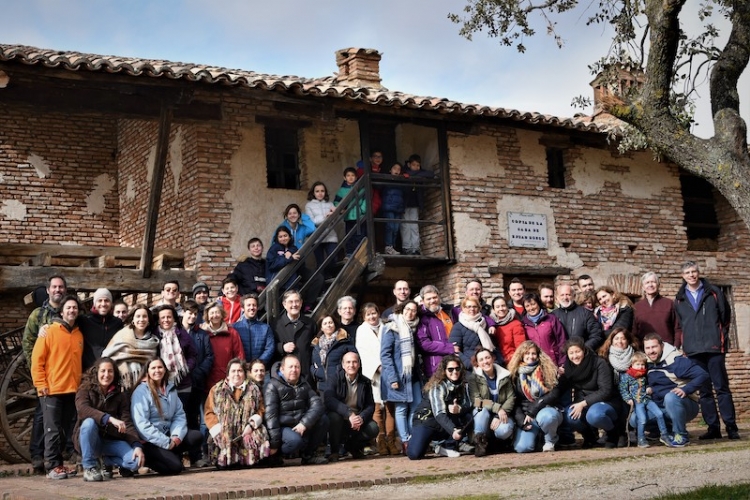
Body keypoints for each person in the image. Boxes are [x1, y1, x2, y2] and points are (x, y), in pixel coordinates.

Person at [674, 261, 739, 440]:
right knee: (704, 391)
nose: (691, 275)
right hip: (693, 350)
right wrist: (684, 345)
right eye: (687, 272)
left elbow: (725, 316)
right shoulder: (679, 298)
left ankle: (731, 427)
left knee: (722, 388)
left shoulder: (714, 292)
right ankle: (713, 428)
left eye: (694, 271)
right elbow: (681, 324)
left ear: (698, 272)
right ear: (683, 276)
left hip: (714, 347)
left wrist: (720, 337)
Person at [31, 295, 83, 480]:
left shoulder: (78, 334)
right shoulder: (49, 331)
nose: (71, 311)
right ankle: (51, 466)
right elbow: (37, 361)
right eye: (68, 308)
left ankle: (59, 465)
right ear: (62, 311)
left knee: (63, 430)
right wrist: (40, 384)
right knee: (51, 430)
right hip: (51, 390)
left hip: (71, 389)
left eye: (74, 308)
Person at [22, 274, 68, 473]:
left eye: (61, 287)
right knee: (42, 416)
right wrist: (37, 370)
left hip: (65, 374)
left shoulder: (71, 313)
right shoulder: (38, 315)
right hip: (46, 376)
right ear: (48, 290)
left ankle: (64, 453)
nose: (57, 290)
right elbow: (27, 342)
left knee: (66, 415)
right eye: (54, 287)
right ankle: (37, 455)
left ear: (64, 290)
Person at [74, 357, 144, 481]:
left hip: (110, 441)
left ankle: (104, 460)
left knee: (136, 462)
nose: (106, 375)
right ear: (97, 373)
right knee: (89, 423)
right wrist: (109, 419)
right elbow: (83, 410)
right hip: (89, 440)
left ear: (115, 373)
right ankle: (89, 467)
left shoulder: (120, 395)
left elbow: (127, 422)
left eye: (110, 371)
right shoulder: (84, 390)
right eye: (103, 371)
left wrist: (137, 445)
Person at [130, 357, 203, 475]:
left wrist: (176, 437)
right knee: (175, 468)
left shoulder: (171, 388)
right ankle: (149, 461)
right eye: (153, 368)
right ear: (147, 371)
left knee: (196, 436)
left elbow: (179, 415)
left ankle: (170, 455)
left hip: (169, 435)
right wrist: (166, 442)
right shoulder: (141, 391)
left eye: (160, 367)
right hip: (150, 441)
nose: (157, 370)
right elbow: (142, 424)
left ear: (165, 370)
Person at [642, 333, 709, 447]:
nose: (651, 351)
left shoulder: (676, 361)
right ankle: (667, 430)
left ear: (662, 346)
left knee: (670, 397)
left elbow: (703, 375)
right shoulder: (647, 362)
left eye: (654, 347)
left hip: (683, 404)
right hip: (661, 407)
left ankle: (681, 436)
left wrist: (686, 389)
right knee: (635, 419)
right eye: (647, 348)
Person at [204, 358, 271, 468]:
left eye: (240, 371)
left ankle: (251, 459)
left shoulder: (254, 389)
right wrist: (218, 430)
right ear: (228, 374)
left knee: (258, 436)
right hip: (224, 431)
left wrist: (251, 425)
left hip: (247, 430)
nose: (237, 374)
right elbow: (209, 412)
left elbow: (261, 409)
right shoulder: (216, 390)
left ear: (245, 373)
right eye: (233, 371)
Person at [264, 355, 329, 465]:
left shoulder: (304, 383)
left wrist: (304, 423)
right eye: (291, 367)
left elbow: (318, 404)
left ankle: (308, 455)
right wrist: (274, 445)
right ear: (282, 369)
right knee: (294, 442)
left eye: (297, 367)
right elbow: (271, 417)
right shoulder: (272, 386)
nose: (294, 370)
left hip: (299, 424)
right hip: (282, 427)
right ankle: (277, 455)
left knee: (323, 419)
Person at [557, 337, 622, 449]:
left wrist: (583, 403)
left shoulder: (599, 363)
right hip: (583, 403)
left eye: (577, 351)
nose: (575, 356)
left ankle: (613, 433)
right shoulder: (568, 368)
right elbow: (559, 389)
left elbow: (605, 390)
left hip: (606, 402)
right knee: (569, 416)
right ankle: (590, 437)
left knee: (595, 415)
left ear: (584, 350)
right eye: (571, 353)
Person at [407, 355, 472, 460]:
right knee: (414, 454)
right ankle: (417, 439)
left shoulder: (464, 384)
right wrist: (453, 431)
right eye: (450, 369)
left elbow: (470, 404)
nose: (454, 372)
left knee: (469, 417)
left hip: (446, 420)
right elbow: (439, 413)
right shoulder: (437, 386)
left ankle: (447, 446)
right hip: (427, 420)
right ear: (444, 371)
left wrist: (460, 409)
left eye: (457, 368)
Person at [356, 302, 399, 455]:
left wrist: (388, 367)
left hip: (390, 371)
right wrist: (377, 366)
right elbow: (363, 352)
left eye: (374, 313)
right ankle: (380, 441)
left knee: (390, 407)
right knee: (377, 409)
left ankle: (391, 440)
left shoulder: (388, 326)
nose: (372, 316)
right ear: (364, 316)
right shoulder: (361, 331)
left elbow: (394, 347)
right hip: (374, 374)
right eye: (368, 314)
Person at [380, 301, 423, 451]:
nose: (410, 313)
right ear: (401, 309)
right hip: (399, 375)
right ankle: (405, 440)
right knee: (401, 409)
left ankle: (414, 437)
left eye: (413, 310)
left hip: (413, 375)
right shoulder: (391, 327)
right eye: (408, 309)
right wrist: (392, 378)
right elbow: (385, 355)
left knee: (417, 406)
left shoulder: (415, 328)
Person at [508, 341, 563, 453]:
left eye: (533, 353)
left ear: (538, 355)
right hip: (527, 415)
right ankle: (537, 436)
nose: (530, 357)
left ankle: (550, 440)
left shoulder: (547, 369)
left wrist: (534, 408)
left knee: (547, 417)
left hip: (546, 409)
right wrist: (520, 419)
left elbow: (554, 394)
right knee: (522, 448)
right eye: (527, 353)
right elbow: (514, 400)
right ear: (521, 355)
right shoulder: (514, 374)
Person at [324, 352, 379, 461]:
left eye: (354, 362)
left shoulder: (365, 382)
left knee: (373, 428)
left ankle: (353, 447)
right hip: (341, 417)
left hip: (357, 420)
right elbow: (329, 399)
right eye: (348, 362)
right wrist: (349, 414)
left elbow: (370, 405)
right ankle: (334, 451)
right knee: (334, 417)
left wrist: (361, 417)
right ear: (343, 365)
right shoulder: (334, 379)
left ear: (359, 364)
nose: (351, 365)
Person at [180, 299, 214, 466]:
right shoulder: (175, 332)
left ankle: (196, 456)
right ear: (183, 313)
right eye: (189, 313)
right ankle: (178, 454)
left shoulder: (202, 335)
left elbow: (209, 356)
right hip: (178, 384)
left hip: (196, 382)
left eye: (195, 314)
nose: (192, 316)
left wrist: (198, 373)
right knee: (178, 418)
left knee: (193, 419)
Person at [467, 347, 515, 456]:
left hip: (502, 414)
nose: (485, 362)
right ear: (477, 364)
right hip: (486, 415)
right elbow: (477, 401)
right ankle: (480, 444)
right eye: (481, 360)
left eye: (487, 358)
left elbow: (511, 398)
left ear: (493, 359)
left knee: (504, 430)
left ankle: (498, 443)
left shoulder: (505, 376)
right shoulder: (473, 378)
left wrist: (500, 414)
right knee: (480, 412)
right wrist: (497, 408)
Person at [618, 351, 670, 448]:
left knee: (659, 414)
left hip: (647, 399)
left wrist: (650, 388)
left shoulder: (645, 375)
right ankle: (641, 439)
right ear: (632, 364)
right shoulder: (627, 376)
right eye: (638, 364)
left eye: (642, 364)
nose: (640, 367)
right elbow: (623, 389)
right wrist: (628, 399)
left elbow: (651, 383)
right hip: (637, 401)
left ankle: (664, 434)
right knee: (642, 419)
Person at [103, 305, 160, 391]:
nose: (141, 319)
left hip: (147, 387)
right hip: (121, 385)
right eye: (138, 316)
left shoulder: (153, 342)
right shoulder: (121, 335)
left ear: (148, 320)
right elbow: (106, 356)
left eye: (144, 316)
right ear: (133, 319)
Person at [266, 226, 323, 309]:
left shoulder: (293, 248)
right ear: (277, 239)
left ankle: (309, 304)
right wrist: (287, 258)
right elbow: (272, 265)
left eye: (285, 236)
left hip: (295, 275)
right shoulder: (274, 249)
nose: (283, 238)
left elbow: (301, 264)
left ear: (289, 236)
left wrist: (292, 256)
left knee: (318, 278)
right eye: (280, 237)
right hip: (281, 281)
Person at [154, 304, 198, 411]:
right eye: (162, 317)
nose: (166, 320)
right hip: (160, 383)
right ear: (158, 320)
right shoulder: (154, 336)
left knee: (182, 415)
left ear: (174, 318)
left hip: (183, 383)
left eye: (169, 317)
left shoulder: (182, 334)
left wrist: (186, 369)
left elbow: (193, 354)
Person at [201, 301, 245, 392]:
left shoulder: (232, 332)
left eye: (217, 312)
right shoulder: (202, 333)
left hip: (227, 378)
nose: (215, 315)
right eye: (212, 313)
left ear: (222, 314)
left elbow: (239, 354)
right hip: (206, 379)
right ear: (207, 316)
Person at [274, 290, 316, 378]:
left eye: (297, 301)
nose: (294, 305)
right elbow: (269, 346)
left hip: (305, 372)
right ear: (284, 304)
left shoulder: (310, 323)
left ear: (301, 303)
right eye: (290, 302)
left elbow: (315, 346)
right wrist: (281, 347)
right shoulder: (276, 324)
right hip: (284, 374)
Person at [416, 285, 455, 378]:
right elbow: (424, 344)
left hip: (454, 364)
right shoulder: (422, 317)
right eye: (428, 299)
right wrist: (450, 348)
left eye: (434, 297)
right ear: (423, 301)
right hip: (436, 367)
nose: (432, 301)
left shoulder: (449, 312)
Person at [633, 271, 682, 347]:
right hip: (645, 351)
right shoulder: (637, 307)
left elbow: (677, 328)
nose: (650, 285)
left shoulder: (669, 304)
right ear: (643, 287)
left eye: (653, 282)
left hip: (667, 350)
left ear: (658, 285)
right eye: (647, 282)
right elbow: (634, 332)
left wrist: (675, 347)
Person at [311, 314, 356, 393]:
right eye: (325, 323)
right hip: (322, 386)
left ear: (334, 324)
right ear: (321, 328)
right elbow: (312, 363)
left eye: (330, 322)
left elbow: (354, 358)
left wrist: (341, 373)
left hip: (341, 385)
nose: (328, 325)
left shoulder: (344, 341)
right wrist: (315, 372)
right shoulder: (316, 345)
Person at [552, 283, 604, 352]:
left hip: (582, 356)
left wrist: (583, 350)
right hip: (560, 358)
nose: (565, 297)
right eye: (562, 295)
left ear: (574, 296)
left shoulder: (585, 313)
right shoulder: (552, 316)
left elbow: (596, 335)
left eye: (568, 294)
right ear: (557, 297)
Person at [451, 297, 500, 369]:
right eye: (468, 307)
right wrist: (471, 364)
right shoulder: (458, 326)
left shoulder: (485, 324)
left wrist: (498, 362)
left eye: (475, 306)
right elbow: (455, 350)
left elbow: (494, 346)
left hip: (490, 365)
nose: (472, 309)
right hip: (471, 368)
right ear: (463, 309)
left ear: (479, 308)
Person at [520, 293, 567, 369]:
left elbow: (562, 340)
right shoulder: (524, 324)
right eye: (527, 306)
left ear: (538, 303)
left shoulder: (551, 319)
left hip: (553, 362)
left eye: (533, 304)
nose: (531, 308)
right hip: (535, 364)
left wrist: (562, 363)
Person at [400, 153, 434, 256]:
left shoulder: (415, 173)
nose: (416, 167)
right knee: (405, 225)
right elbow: (403, 175)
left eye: (418, 165)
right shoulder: (403, 172)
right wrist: (412, 175)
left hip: (415, 203)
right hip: (404, 203)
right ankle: (406, 248)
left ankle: (415, 248)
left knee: (414, 225)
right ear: (409, 164)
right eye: (414, 165)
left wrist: (412, 175)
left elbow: (430, 174)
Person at [233, 293, 275, 370]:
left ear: (257, 307)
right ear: (242, 308)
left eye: (254, 305)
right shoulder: (235, 328)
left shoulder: (265, 328)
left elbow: (270, 348)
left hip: (260, 371)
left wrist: (257, 363)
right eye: (248, 305)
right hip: (241, 369)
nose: (252, 307)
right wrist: (242, 364)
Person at [305, 182, 339, 272]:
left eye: (322, 191)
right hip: (316, 237)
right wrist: (326, 216)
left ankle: (329, 276)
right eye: (317, 191)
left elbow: (335, 221)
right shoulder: (309, 205)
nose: (320, 193)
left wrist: (334, 215)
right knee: (320, 263)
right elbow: (313, 222)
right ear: (313, 193)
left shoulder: (330, 204)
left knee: (333, 259)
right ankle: (323, 283)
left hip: (330, 235)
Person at [334, 166, 367, 258]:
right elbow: (336, 202)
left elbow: (366, 200)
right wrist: (341, 209)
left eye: (353, 175)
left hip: (359, 216)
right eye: (348, 175)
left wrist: (362, 210)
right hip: (348, 217)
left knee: (359, 235)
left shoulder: (361, 188)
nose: (351, 177)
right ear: (344, 178)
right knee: (349, 236)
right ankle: (349, 253)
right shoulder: (341, 191)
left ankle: (359, 254)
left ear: (356, 177)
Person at [490, 296, 527, 364]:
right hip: (496, 362)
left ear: (507, 307)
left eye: (503, 306)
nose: (501, 309)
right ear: (493, 309)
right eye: (497, 307)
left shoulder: (516, 324)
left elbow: (520, 347)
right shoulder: (492, 324)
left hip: (512, 362)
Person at [381, 162, 406, 255]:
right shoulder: (386, 180)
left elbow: (406, 192)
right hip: (389, 207)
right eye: (395, 168)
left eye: (399, 169)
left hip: (398, 208)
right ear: (390, 170)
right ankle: (388, 246)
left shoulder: (401, 182)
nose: (397, 171)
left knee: (396, 228)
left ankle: (393, 247)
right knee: (390, 227)